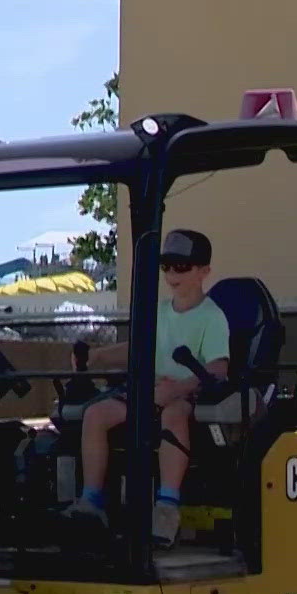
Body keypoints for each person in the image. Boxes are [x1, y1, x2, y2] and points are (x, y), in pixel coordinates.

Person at [63, 228, 230, 546]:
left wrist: (178, 389)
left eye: (181, 267)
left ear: (204, 271)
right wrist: (95, 357)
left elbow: (219, 368)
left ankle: (166, 508)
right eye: (166, 266)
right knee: (96, 414)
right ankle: (91, 502)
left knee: (174, 416)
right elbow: (137, 349)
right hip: (147, 391)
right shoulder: (159, 312)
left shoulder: (213, 317)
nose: (171, 274)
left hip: (190, 394)